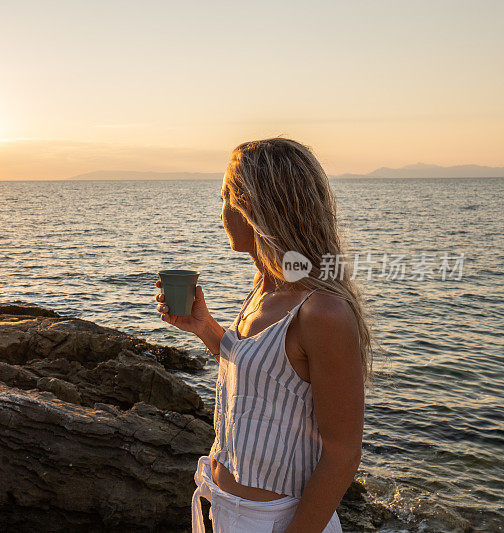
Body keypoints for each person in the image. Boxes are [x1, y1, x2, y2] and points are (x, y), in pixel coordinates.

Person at [155, 138, 371, 532]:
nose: (220, 210)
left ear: (250, 207)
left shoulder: (322, 311)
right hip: (223, 510)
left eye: (225, 197)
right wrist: (205, 328)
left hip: (275, 522)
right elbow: (265, 375)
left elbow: (343, 454)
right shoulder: (265, 285)